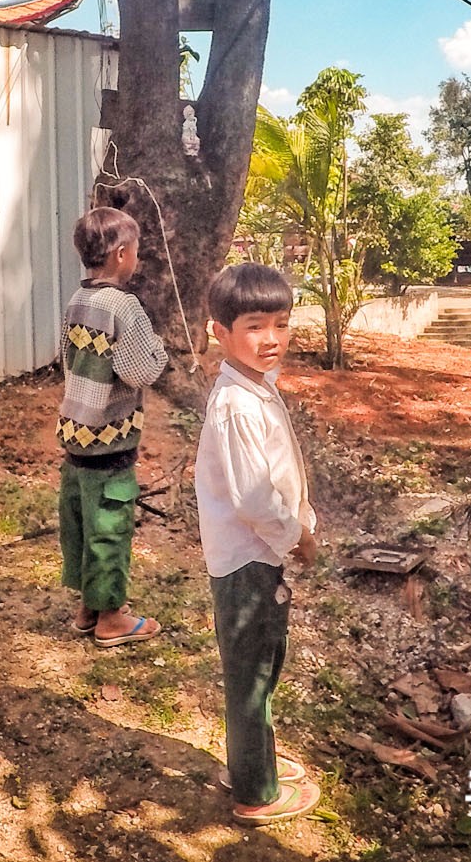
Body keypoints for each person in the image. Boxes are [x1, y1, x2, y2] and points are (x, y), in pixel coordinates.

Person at [195, 262, 321, 826]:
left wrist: (300, 518)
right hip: (249, 561)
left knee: (264, 666)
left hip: (259, 556)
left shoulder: (255, 387)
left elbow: (278, 472)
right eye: (253, 325)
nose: (271, 339)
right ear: (218, 331)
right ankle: (254, 790)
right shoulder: (236, 405)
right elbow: (252, 498)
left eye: (280, 323)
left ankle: (255, 759)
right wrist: (298, 538)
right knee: (251, 675)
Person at [57, 206, 169, 646]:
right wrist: (160, 350)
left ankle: (88, 604)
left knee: (80, 518)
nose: (137, 258)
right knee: (110, 523)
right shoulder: (124, 306)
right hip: (109, 435)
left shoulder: (77, 300)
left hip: (75, 432)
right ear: (122, 254)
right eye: (136, 250)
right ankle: (111, 617)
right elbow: (141, 369)